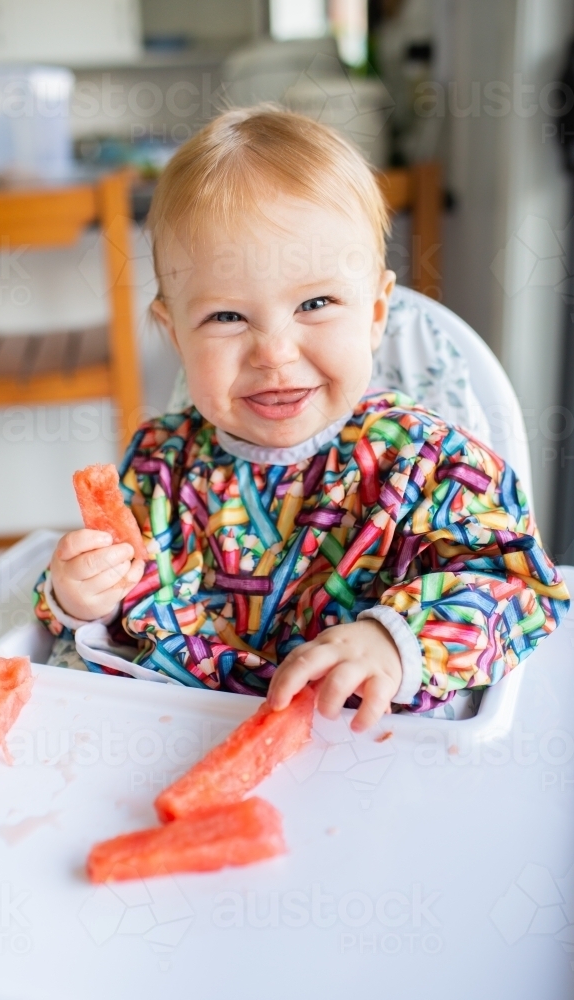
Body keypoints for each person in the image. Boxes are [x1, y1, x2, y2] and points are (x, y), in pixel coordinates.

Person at [33, 106, 569, 732]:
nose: (274, 353)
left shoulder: (430, 462)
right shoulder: (159, 467)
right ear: (174, 333)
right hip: (176, 738)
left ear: (374, 315)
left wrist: (395, 642)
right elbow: (108, 608)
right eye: (227, 317)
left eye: (315, 303)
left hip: (368, 746)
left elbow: (520, 588)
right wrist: (72, 596)